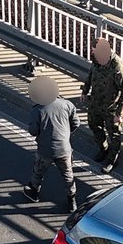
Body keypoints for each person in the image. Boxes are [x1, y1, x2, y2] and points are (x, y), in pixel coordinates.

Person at [21, 76, 79, 210]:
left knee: (38, 171)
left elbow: (33, 131)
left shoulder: (37, 110)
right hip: (64, 148)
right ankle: (72, 201)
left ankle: (33, 192)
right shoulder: (67, 105)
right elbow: (76, 123)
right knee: (68, 174)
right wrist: (65, 133)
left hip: (45, 149)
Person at [82, 37, 123, 171]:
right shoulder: (97, 59)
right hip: (96, 102)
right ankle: (103, 148)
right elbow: (91, 75)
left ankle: (112, 159)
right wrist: (85, 91)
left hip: (111, 108)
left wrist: (119, 113)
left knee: (114, 134)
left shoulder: (117, 67)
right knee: (93, 125)